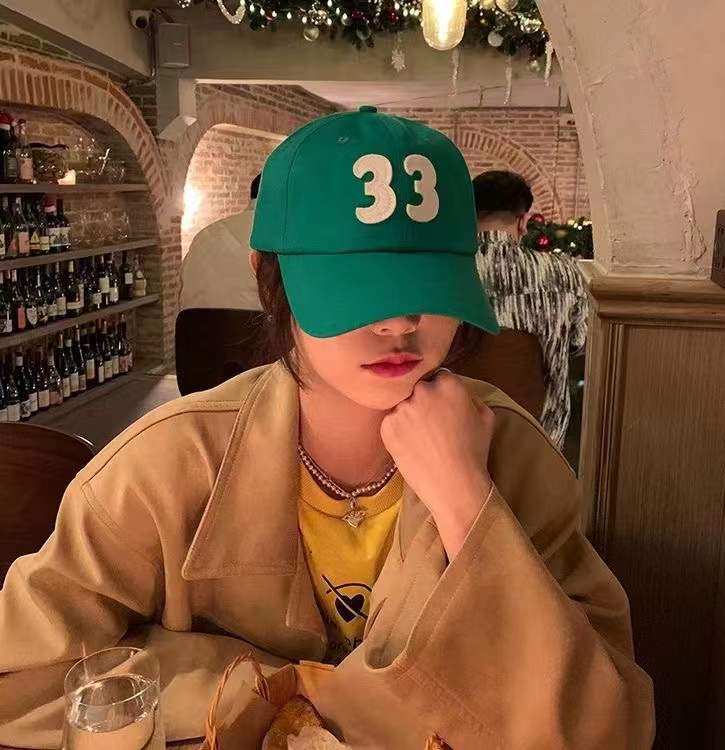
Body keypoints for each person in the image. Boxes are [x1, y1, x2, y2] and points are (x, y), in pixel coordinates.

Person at [0, 108, 654, 749]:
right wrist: (277, 699)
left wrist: (467, 504)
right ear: (267, 275)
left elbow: (606, 727)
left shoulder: (514, 457)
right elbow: (23, 677)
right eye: (355, 284)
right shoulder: (163, 468)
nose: (399, 322)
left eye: (427, 281)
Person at [473, 170, 590, 448]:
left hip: (456, 430)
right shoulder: (563, 272)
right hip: (540, 436)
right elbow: (578, 341)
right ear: (523, 221)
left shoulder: (447, 271)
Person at [179, 173, 262, 312]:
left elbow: (181, 294)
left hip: (194, 325)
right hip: (259, 325)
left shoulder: (204, 235)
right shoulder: (281, 238)